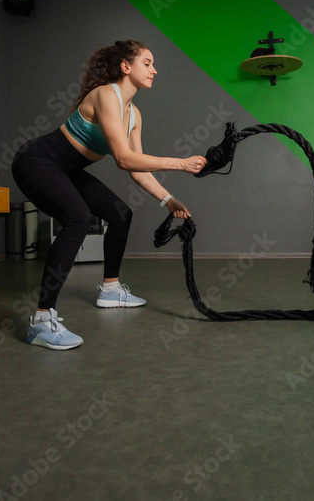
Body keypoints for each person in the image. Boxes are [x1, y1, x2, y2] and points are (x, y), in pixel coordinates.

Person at [11, 40, 207, 350]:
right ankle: (41, 321)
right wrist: (180, 163)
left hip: (68, 171)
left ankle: (111, 289)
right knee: (76, 217)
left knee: (120, 214)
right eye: (147, 62)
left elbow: (137, 168)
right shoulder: (105, 95)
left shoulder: (135, 115)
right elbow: (123, 158)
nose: (155, 70)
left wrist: (167, 199)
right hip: (38, 161)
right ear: (125, 67)